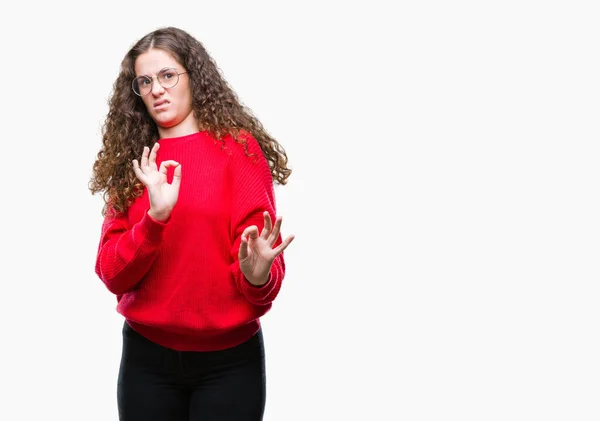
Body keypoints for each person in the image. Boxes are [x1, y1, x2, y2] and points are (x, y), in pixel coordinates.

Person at [88, 26, 294, 421]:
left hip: (230, 365)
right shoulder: (137, 161)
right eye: (144, 81)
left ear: (193, 77)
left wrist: (256, 274)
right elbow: (112, 273)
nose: (156, 89)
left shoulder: (238, 149)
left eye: (167, 75)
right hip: (146, 361)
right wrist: (154, 220)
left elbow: (261, 266)